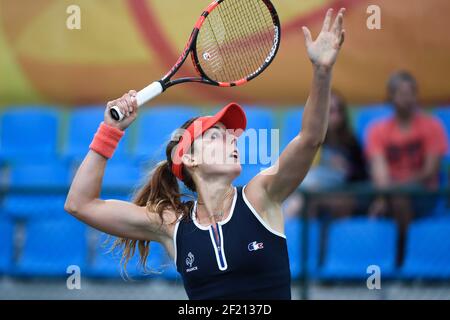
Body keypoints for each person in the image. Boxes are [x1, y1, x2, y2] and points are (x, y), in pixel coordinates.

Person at [64, 8, 346, 300]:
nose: (232, 141)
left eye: (231, 136)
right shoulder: (171, 225)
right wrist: (110, 130)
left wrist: (322, 72)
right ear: (190, 158)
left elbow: (310, 139)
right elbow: (80, 204)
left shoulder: (261, 196)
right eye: (216, 136)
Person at [366, 71, 448, 262]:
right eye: (401, 94)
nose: (408, 98)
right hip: (389, 193)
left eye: (411, 93)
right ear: (390, 97)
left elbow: (430, 171)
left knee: (399, 197)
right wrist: (384, 193)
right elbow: (379, 171)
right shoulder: (377, 130)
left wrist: (393, 189)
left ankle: (402, 255)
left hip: (424, 194)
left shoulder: (432, 126)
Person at [283, 91, 368, 219]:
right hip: (311, 192)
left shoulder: (351, 142)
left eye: (339, 111)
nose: (336, 116)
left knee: (307, 198)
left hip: (340, 194)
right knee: (303, 197)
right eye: (331, 111)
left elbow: (362, 176)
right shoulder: (311, 140)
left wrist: (347, 168)